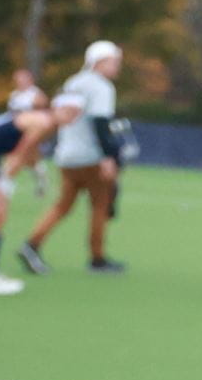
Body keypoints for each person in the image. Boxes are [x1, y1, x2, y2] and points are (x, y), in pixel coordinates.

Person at [20, 40, 127, 276]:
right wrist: (109, 157)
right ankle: (97, 258)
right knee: (100, 205)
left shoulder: (73, 82)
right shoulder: (102, 87)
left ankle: (32, 243)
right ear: (100, 61)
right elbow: (101, 124)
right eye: (114, 61)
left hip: (67, 155)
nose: (118, 66)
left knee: (62, 205)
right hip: (90, 156)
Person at [0, 91, 71, 294]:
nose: (74, 117)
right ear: (57, 109)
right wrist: (5, 181)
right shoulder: (43, 122)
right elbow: (21, 152)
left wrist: (39, 175)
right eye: (70, 111)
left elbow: (30, 154)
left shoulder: (43, 122)